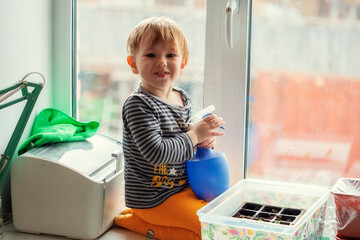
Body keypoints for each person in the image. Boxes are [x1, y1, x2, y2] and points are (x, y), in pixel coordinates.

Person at [114, 17, 225, 240]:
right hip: (154, 198)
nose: (162, 62)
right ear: (133, 64)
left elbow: (181, 138)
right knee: (209, 231)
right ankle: (139, 221)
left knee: (223, 214)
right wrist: (194, 135)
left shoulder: (182, 98)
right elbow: (157, 153)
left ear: (182, 63)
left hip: (182, 188)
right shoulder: (138, 105)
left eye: (171, 55)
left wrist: (202, 137)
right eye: (151, 55)